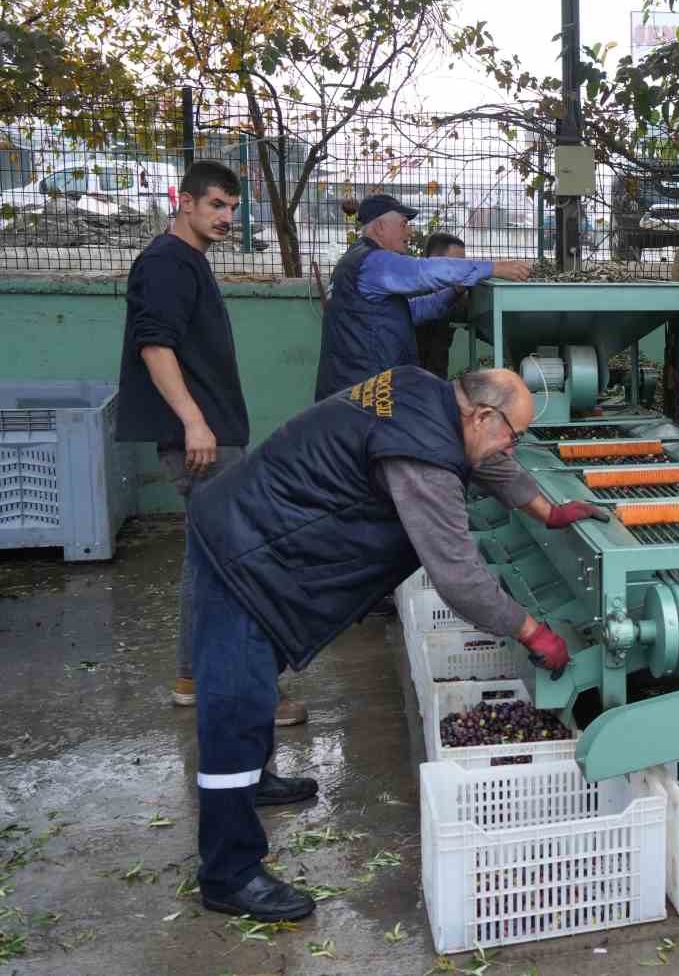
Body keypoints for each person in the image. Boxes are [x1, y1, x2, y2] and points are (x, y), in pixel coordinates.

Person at [185, 366, 609, 921]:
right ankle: (229, 872)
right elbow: (458, 577)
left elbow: (488, 461)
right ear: (481, 415)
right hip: (244, 552)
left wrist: (546, 510)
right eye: (514, 432)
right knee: (235, 707)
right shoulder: (423, 459)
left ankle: (255, 782)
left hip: (261, 532)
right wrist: (533, 632)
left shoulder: (424, 393)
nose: (514, 445)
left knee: (257, 681)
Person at [115, 160, 307, 727]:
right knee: (234, 566)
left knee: (210, 565)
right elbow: (155, 347)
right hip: (202, 442)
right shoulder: (168, 264)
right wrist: (195, 422)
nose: (228, 216)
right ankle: (244, 694)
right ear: (187, 204)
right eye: (217, 205)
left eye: (232, 206)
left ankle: (194, 679)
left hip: (213, 438)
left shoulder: (186, 262)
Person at [313, 195, 535, 401]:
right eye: (403, 224)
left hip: (356, 392)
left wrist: (454, 291)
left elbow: (412, 312)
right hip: (361, 396)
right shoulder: (373, 262)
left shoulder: (355, 262)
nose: (409, 233)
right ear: (380, 227)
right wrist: (492, 268)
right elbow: (423, 272)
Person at [416, 231, 468, 378]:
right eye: (455, 264)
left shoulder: (450, 296)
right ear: (434, 261)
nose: (461, 271)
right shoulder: (415, 294)